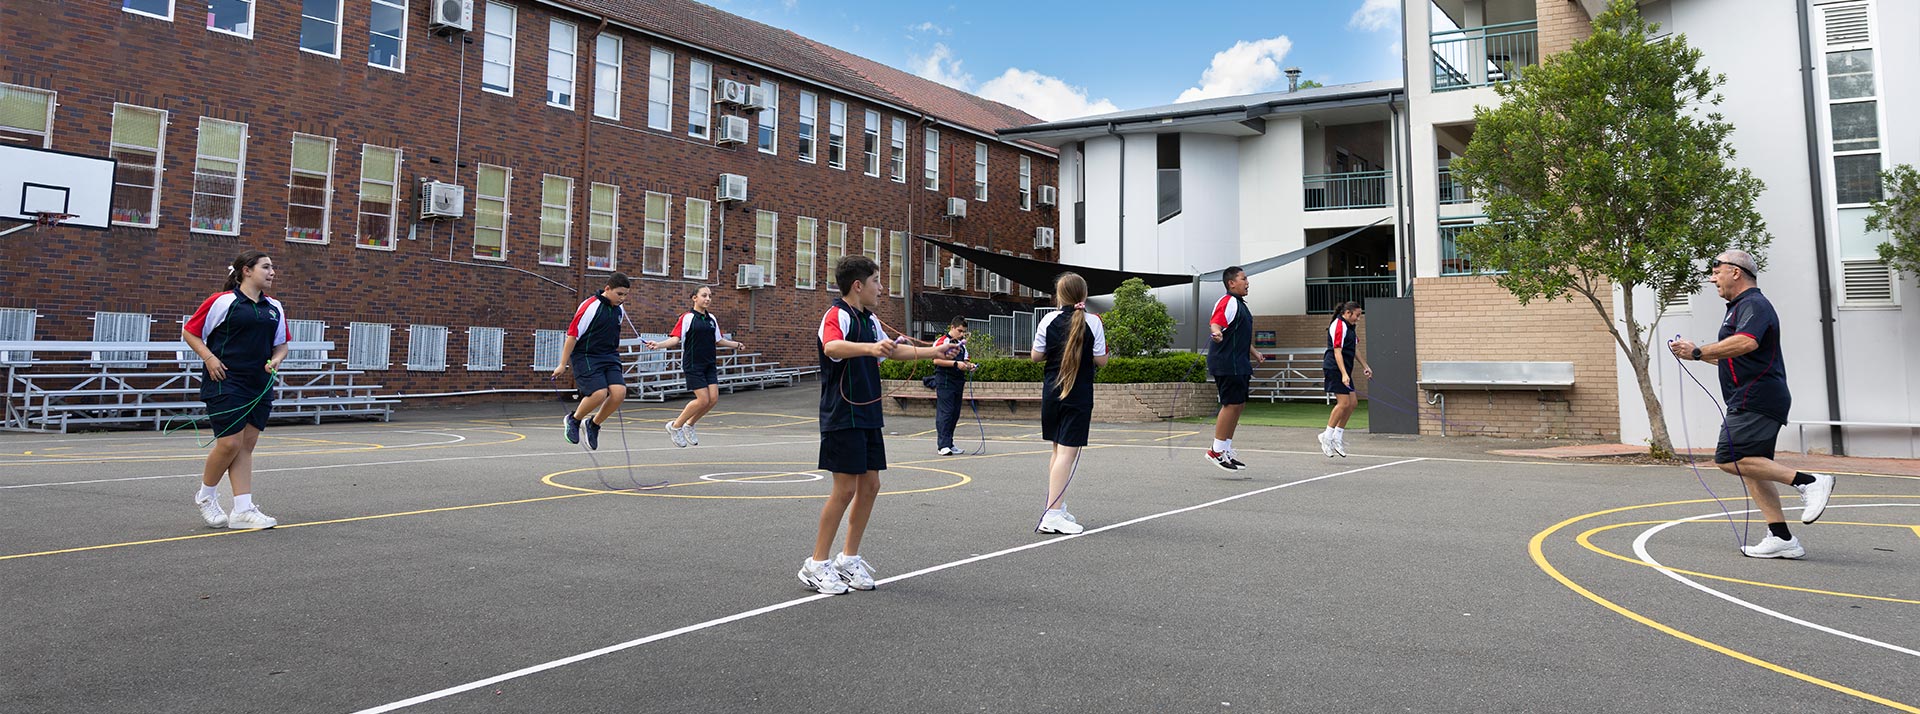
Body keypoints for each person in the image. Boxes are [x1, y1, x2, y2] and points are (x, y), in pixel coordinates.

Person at [799, 255, 958, 594]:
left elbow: (893, 352)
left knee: (871, 486)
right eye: (877, 281)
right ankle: (816, 564)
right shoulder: (837, 314)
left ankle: (847, 559)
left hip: (868, 413)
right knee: (844, 490)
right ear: (858, 285)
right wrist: (871, 348)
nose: (882, 288)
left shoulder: (870, 320)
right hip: (842, 414)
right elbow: (832, 346)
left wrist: (936, 351)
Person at [1669, 250, 1835, 559]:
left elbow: (1747, 342)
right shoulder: (1737, 309)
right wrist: (1696, 354)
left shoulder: (1754, 304)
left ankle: (1810, 482)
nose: (1712, 279)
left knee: (1729, 458)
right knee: (1753, 468)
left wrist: (1698, 351)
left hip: (1756, 396)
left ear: (1735, 272)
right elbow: (1735, 356)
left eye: (1716, 272)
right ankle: (1782, 538)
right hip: (1752, 396)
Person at [182, 250, 291, 530]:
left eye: (273, 267)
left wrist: (277, 359)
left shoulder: (274, 307)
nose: (272, 272)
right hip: (225, 381)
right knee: (229, 443)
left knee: (245, 446)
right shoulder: (222, 301)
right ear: (246, 270)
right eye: (266, 267)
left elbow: (282, 344)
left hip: (259, 384)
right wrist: (209, 358)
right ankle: (206, 496)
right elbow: (190, 332)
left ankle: (242, 510)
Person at [1030, 272, 1109, 535]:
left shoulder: (1048, 319)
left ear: (1059, 295)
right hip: (1078, 393)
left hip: (1052, 390)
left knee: (1057, 451)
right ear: (1084, 295)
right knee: (1066, 454)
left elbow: (1035, 356)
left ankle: (1056, 506)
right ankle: (1052, 514)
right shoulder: (1093, 321)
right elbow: (1101, 360)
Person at [645, 286, 743, 447]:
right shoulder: (687, 318)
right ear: (694, 298)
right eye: (704, 295)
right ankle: (675, 426)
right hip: (693, 364)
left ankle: (689, 425)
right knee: (703, 399)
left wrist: (736, 344)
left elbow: (718, 340)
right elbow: (675, 339)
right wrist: (658, 345)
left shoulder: (711, 318)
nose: (708, 299)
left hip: (709, 364)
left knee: (713, 399)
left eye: (710, 296)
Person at [553, 273, 633, 451]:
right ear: (607, 289)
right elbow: (572, 335)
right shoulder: (590, 307)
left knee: (619, 393)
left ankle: (593, 424)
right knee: (599, 393)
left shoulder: (619, 309)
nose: (622, 298)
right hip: (587, 355)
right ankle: (574, 419)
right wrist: (562, 364)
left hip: (609, 355)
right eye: (619, 294)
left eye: (626, 295)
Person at [1205, 266, 1267, 473]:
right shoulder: (1227, 301)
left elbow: (1238, 336)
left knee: (1238, 405)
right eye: (1243, 278)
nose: (1247, 282)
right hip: (1226, 362)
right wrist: (1216, 333)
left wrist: (1255, 353)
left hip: (1239, 362)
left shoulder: (1240, 305)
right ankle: (1215, 451)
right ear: (1231, 283)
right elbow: (1216, 323)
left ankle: (1226, 449)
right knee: (1231, 404)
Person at [1319, 301, 1371, 458]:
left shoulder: (1350, 327)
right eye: (1357, 315)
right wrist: (1343, 373)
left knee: (1352, 403)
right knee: (1344, 403)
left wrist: (1365, 366)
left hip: (1344, 370)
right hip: (1334, 368)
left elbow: (1354, 349)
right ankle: (1326, 436)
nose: (1358, 318)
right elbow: (1337, 351)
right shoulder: (1339, 325)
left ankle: (1337, 436)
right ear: (1348, 313)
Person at [930, 316, 977, 456]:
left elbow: (965, 360)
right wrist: (955, 364)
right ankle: (943, 445)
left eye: (964, 332)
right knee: (946, 412)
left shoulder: (962, 345)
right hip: (945, 380)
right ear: (952, 327)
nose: (962, 334)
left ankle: (950, 443)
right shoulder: (942, 341)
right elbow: (936, 360)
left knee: (955, 413)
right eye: (960, 331)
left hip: (958, 381)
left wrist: (970, 366)